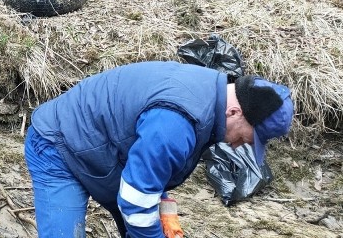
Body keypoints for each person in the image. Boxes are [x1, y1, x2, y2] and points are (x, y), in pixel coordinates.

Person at [25, 61, 294, 238]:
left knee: (147, 223)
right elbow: (135, 201)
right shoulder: (178, 122)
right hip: (57, 145)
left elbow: (152, 171)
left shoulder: (213, 93)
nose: (240, 145)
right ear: (235, 112)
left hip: (107, 150)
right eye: (247, 138)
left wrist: (163, 215)